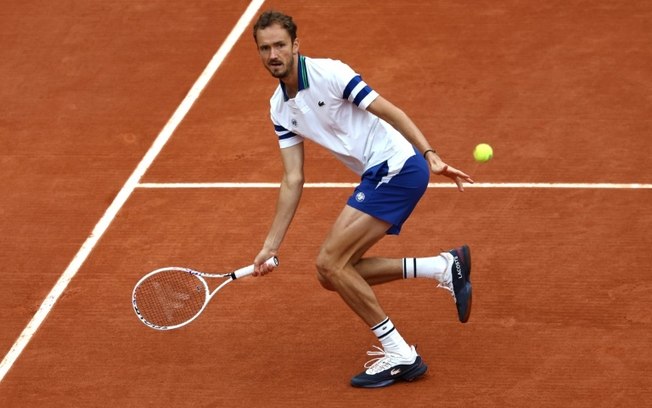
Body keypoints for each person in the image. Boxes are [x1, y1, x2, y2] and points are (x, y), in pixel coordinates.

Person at [251, 10, 474, 388]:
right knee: (332, 273)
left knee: (329, 262)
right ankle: (441, 267)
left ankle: (401, 353)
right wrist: (269, 246)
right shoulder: (279, 108)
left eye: (279, 46)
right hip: (380, 173)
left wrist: (430, 154)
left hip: (398, 167)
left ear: (295, 46)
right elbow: (293, 178)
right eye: (264, 48)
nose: (273, 54)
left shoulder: (330, 74)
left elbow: (390, 110)